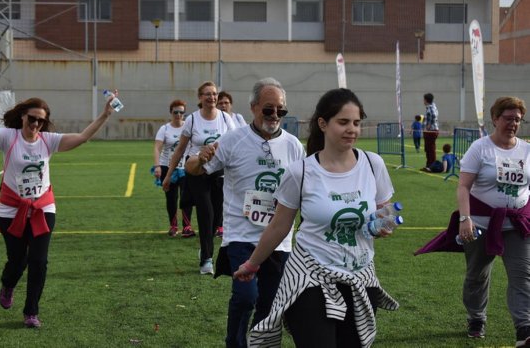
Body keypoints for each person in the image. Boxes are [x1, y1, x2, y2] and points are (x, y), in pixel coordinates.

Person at [0, 91, 118, 329]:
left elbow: (82, 137)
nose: (35, 124)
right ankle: (8, 285)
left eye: (40, 121)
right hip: (12, 209)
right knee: (17, 261)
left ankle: (31, 312)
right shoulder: (8, 137)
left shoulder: (48, 140)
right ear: (23, 117)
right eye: (32, 118)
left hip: (43, 208)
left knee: (39, 261)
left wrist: (105, 114)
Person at [233, 88, 399, 348]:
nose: (352, 130)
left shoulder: (372, 164)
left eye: (356, 123)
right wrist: (252, 264)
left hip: (360, 276)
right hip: (310, 279)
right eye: (343, 122)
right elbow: (279, 226)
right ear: (323, 123)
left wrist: (384, 223)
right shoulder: (300, 172)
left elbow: (385, 209)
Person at [186, 77, 305, 348]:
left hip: (279, 240)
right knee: (245, 296)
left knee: (270, 302)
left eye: (280, 110)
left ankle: (257, 342)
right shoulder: (232, 141)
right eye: (268, 109)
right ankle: (235, 343)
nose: (275, 115)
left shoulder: (294, 147)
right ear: (253, 107)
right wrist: (199, 158)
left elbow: (304, 191)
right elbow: (194, 169)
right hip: (241, 235)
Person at [456, 97, 529, 345]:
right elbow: (463, 186)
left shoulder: (527, 150)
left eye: (517, 119)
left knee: (523, 275)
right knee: (477, 275)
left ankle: (524, 329)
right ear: (495, 119)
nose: (512, 124)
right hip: (480, 224)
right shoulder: (480, 148)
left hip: (516, 225)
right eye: (507, 118)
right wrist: (465, 219)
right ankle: (476, 318)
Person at [163, 81, 235, 275]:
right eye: (207, 94)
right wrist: (168, 175)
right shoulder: (193, 120)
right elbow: (179, 150)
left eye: (214, 94)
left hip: (219, 173)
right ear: (200, 98)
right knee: (206, 213)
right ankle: (207, 260)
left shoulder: (226, 119)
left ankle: (205, 248)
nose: (212, 98)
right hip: (196, 172)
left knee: (217, 217)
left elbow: (236, 145)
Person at [153, 99, 195, 238]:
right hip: (167, 167)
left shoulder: (188, 127)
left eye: (181, 112)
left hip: (185, 167)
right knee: (171, 199)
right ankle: (173, 226)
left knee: (186, 198)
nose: (178, 115)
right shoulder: (164, 129)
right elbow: (157, 148)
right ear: (171, 112)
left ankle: (187, 226)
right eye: (175, 112)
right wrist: (157, 165)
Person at [422, 92, 439, 170]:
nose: (423, 101)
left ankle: (432, 166)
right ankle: (428, 165)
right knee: (428, 148)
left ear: (426, 100)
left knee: (430, 149)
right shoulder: (432, 106)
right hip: (431, 130)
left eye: (424, 99)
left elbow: (433, 116)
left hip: (431, 131)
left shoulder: (430, 107)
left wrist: (428, 126)